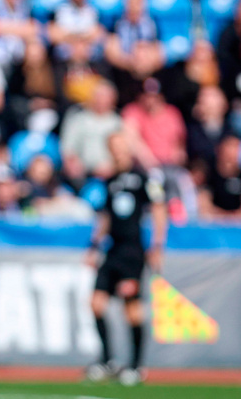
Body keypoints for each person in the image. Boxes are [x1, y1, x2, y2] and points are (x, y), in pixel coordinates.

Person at [84, 131, 167, 386]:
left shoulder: (144, 178)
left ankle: (135, 365)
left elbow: (158, 208)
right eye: (114, 147)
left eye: (121, 146)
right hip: (112, 251)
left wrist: (157, 246)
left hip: (132, 252)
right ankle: (108, 360)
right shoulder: (110, 181)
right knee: (96, 304)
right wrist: (94, 245)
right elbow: (106, 217)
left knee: (132, 310)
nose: (118, 152)